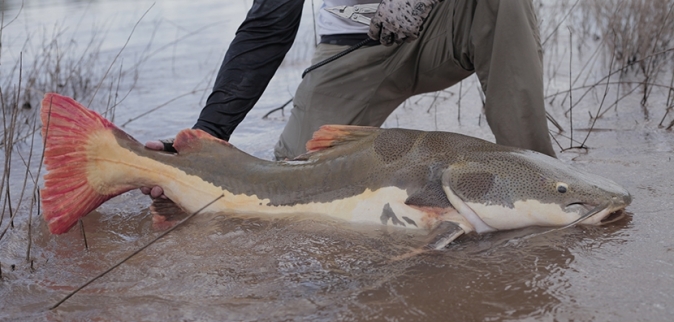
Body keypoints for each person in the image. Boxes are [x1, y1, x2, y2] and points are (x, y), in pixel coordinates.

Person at [142, 0, 556, 198]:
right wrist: (206, 136)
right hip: (354, 47)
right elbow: (268, 28)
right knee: (291, 181)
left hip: (446, 27)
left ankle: (543, 180)